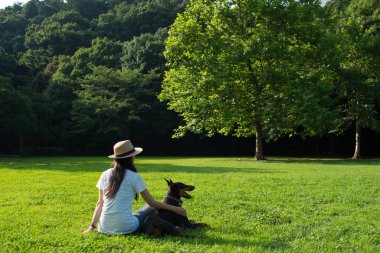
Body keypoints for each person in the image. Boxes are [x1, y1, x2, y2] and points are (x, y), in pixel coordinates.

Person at [83, 140, 187, 235]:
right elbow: (152, 203)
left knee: (138, 212)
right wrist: (176, 209)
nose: (135, 158)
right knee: (150, 206)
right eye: (134, 155)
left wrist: (91, 227)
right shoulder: (134, 176)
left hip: (104, 228)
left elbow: (100, 204)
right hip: (127, 228)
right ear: (131, 158)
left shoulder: (105, 174)